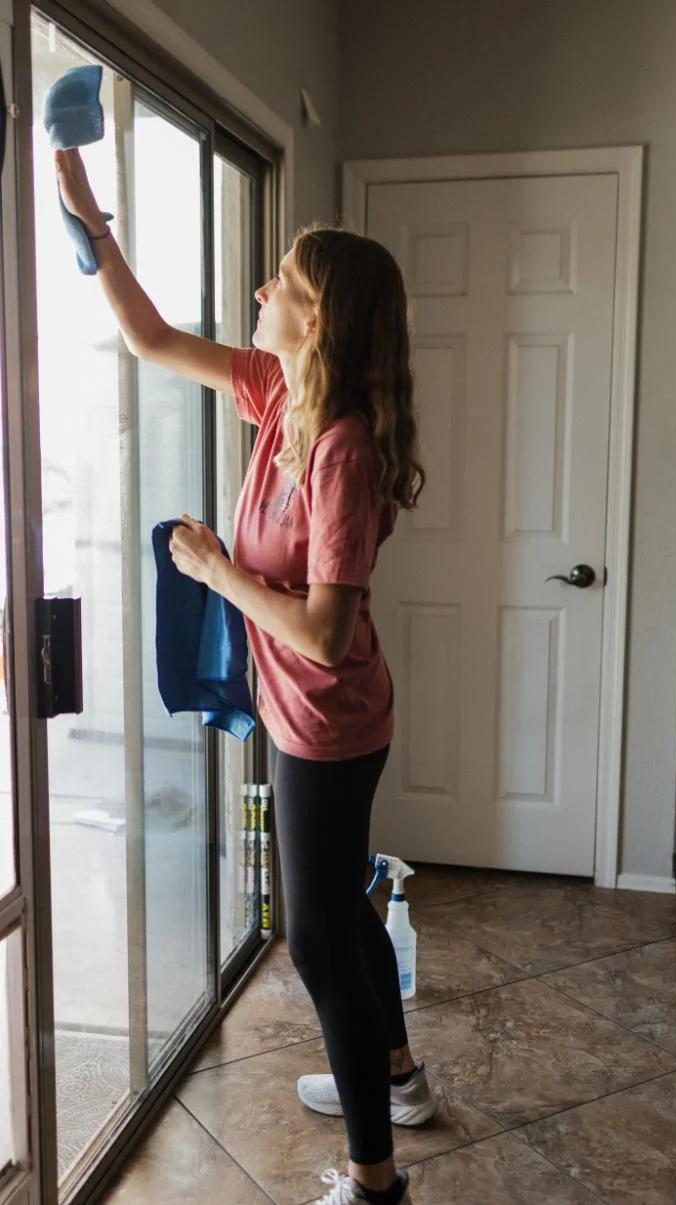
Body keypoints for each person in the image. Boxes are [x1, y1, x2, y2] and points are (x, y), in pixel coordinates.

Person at [55, 147, 436, 1205]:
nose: (262, 292)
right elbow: (150, 336)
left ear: (320, 320)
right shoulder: (279, 397)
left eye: (283, 284)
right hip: (302, 710)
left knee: (315, 939)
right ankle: (399, 1078)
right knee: (341, 903)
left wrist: (216, 570)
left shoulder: (342, 450)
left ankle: (373, 1182)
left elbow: (324, 633)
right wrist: (90, 220)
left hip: (329, 720)